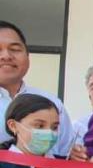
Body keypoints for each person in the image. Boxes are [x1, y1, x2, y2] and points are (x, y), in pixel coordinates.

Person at [0, 21, 78, 160]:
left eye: (15, 49)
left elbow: (66, 154)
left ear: (27, 55)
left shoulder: (51, 102)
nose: (6, 56)